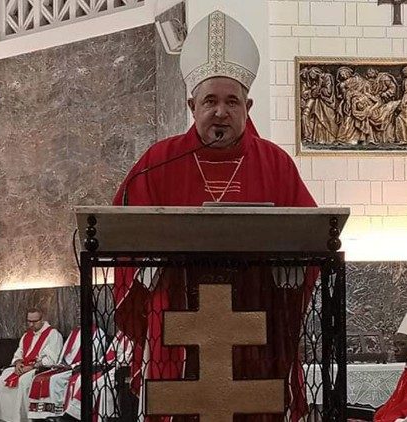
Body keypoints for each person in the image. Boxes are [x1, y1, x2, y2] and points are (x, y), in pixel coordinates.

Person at [112, 10, 317, 421]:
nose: (220, 112)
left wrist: (293, 265)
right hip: (177, 320)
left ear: (248, 105)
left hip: (255, 318)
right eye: (210, 101)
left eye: (231, 101)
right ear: (192, 105)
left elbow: (310, 235)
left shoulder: (274, 163)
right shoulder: (158, 162)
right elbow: (123, 234)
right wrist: (147, 266)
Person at [0, 309, 63, 422]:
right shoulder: (26, 335)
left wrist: (32, 367)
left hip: (40, 369)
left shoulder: (53, 334)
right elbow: (19, 352)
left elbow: (51, 359)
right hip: (24, 366)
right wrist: (18, 363)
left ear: (42, 319)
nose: (31, 324)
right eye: (29, 321)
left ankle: (20, 418)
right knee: (1, 380)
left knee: (23, 381)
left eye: (35, 321)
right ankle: (2, 418)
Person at [26, 324, 106, 420]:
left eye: (80, 310)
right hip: (66, 366)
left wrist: (72, 366)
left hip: (80, 367)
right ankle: (39, 416)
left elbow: (94, 355)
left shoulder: (97, 333)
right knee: (38, 377)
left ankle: (56, 413)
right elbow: (65, 351)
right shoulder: (74, 331)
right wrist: (60, 363)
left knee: (55, 379)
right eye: (77, 310)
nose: (79, 314)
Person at [64, 331, 134, 421]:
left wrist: (107, 366)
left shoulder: (134, 334)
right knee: (80, 379)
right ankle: (74, 415)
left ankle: (77, 416)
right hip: (109, 366)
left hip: (122, 371)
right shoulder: (120, 333)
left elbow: (125, 359)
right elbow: (109, 354)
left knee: (98, 384)